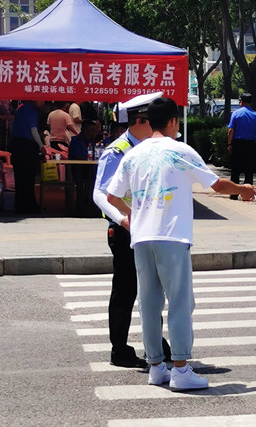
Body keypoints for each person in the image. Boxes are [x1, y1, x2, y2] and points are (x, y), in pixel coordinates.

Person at [106, 97, 256, 390]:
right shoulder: (180, 150)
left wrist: (134, 215)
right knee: (179, 303)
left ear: (149, 121)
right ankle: (181, 369)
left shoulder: (134, 155)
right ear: (174, 121)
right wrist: (243, 189)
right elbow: (215, 185)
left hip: (141, 237)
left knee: (148, 303)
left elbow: (112, 197)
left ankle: (155, 367)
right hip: (172, 236)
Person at [92, 92, 169, 368]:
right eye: (152, 121)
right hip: (125, 230)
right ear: (139, 121)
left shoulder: (155, 147)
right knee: (125, 289)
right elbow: (100, 194)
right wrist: (123, 219)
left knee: (153, 288)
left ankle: (156, 345)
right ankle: (120, 349)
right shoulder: (118, 151)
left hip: (150, 228)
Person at [9, 100, 45, 214]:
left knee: (19, 176)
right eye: (42, 100)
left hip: (16, 144)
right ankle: (29, 205)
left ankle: (20, 205)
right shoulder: (31, 110)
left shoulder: (20, 108)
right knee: (28, 176)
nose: (43, 103)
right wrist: (41, 145)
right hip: (26, 146)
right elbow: (33, 130)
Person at [227, 92, 256, 200]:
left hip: (238, 144)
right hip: (250, 144)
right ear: (251, 103)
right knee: (249, 170)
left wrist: (229, 144)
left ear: (241, 102)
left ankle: (233, 194)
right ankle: (247, 195)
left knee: (235, 170)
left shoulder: (236, 114)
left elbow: (231, 130)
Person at [69, 120, 99, 217]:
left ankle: (92, 206)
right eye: (92, 130)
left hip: (90, 169)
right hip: (78, 170)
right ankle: (80, 207)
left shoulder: (92, 142)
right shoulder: (76, 141)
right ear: (85, 130)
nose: (95, 132)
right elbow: (77, 156)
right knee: (83, 179)